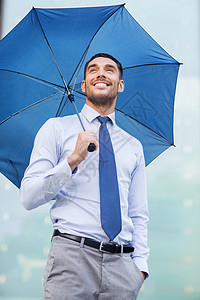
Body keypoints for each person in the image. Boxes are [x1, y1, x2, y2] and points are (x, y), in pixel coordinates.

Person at [20, 53, 149, 300]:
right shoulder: (56, 129)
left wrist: (140, 268)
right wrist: (72, 160)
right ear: (84, 85)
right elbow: (28, 197)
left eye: (109, 69)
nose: (101, 73)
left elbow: (138, 213)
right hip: (72, 260)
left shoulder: (133, 146)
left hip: (123, 267)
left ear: (120, 85)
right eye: (93, 70)